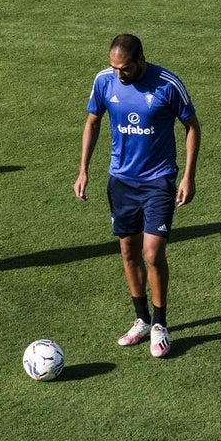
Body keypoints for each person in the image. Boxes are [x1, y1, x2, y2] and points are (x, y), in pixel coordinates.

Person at [74, 34, 200, 358]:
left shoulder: (167, 84)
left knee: (153, 252)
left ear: (141, 59)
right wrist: (83, 170)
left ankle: (160, 324)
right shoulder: (104, 82)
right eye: (115, 67)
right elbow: (92, 123)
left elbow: (192, 127)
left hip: (158, 181)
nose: (119, 74)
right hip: (121, 182)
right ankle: (141, 319)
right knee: (128, 251)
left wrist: (188, 175)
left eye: (125, 67)